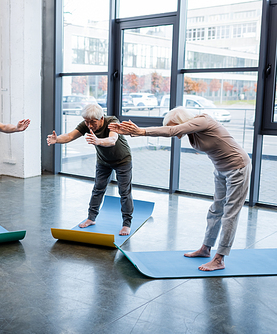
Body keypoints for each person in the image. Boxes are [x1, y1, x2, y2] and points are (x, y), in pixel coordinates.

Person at [109, 106, 251, 271]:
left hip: (238, 167)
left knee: (230, 214)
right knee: (215, 210)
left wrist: (141, 132)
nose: (174, 131)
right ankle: (206, 249)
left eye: (173, 125)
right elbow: (172, 129)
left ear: (182, 122)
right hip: (221, 169)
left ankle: (219, 259)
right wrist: (133, 131)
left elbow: (172, 130)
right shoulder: (192, 131)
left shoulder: (202, 120)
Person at [47, 103, 134, 236]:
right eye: (87, 122)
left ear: (101, 119)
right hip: (103, 161)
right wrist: (57, 139)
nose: (89, 126)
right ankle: (91, 218)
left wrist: (98, 141)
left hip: (122, 160)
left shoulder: (112, 121)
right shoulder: (86, 124)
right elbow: (70, 136)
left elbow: (112, 140)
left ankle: (126, 224)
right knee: (98, 189)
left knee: (124, 192)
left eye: (92, 122)